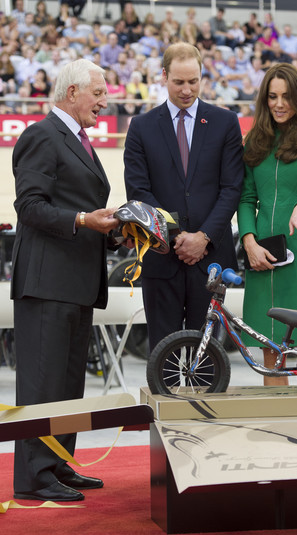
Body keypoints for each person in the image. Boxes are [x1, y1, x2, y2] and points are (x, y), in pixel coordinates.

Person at [11, 59, 119, 502]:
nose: (104, 100)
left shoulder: (79, 140)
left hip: (76, 281)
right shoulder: (41, 135)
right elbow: (29, 206)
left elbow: (83, 209)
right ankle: (34, 478)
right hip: (46, 282)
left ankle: (56, 464)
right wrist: (82, 219)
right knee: (43, 384)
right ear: (72, 93)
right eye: (97, 92)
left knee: (69, 384)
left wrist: (115, 230)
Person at [124, 42, 244, 352]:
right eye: (179, 82)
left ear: (202, 77)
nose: (187, 89)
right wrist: (179, 237)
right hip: (162, 256)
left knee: (205, 361)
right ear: (164, 76)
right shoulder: (141, 127)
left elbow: (232, 188)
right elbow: (139, 191)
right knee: (162, 354)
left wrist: (203, 238)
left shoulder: (225, 123)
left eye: (194, 81)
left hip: (211, 261)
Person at [237, 63, 297, 386]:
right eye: (272, 97)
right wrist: (249, 241)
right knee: (270, 347)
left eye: (287, 96)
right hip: (264, 252)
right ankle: (277, 423)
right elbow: (246, 197)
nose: (279, 104)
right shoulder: (254, 141)